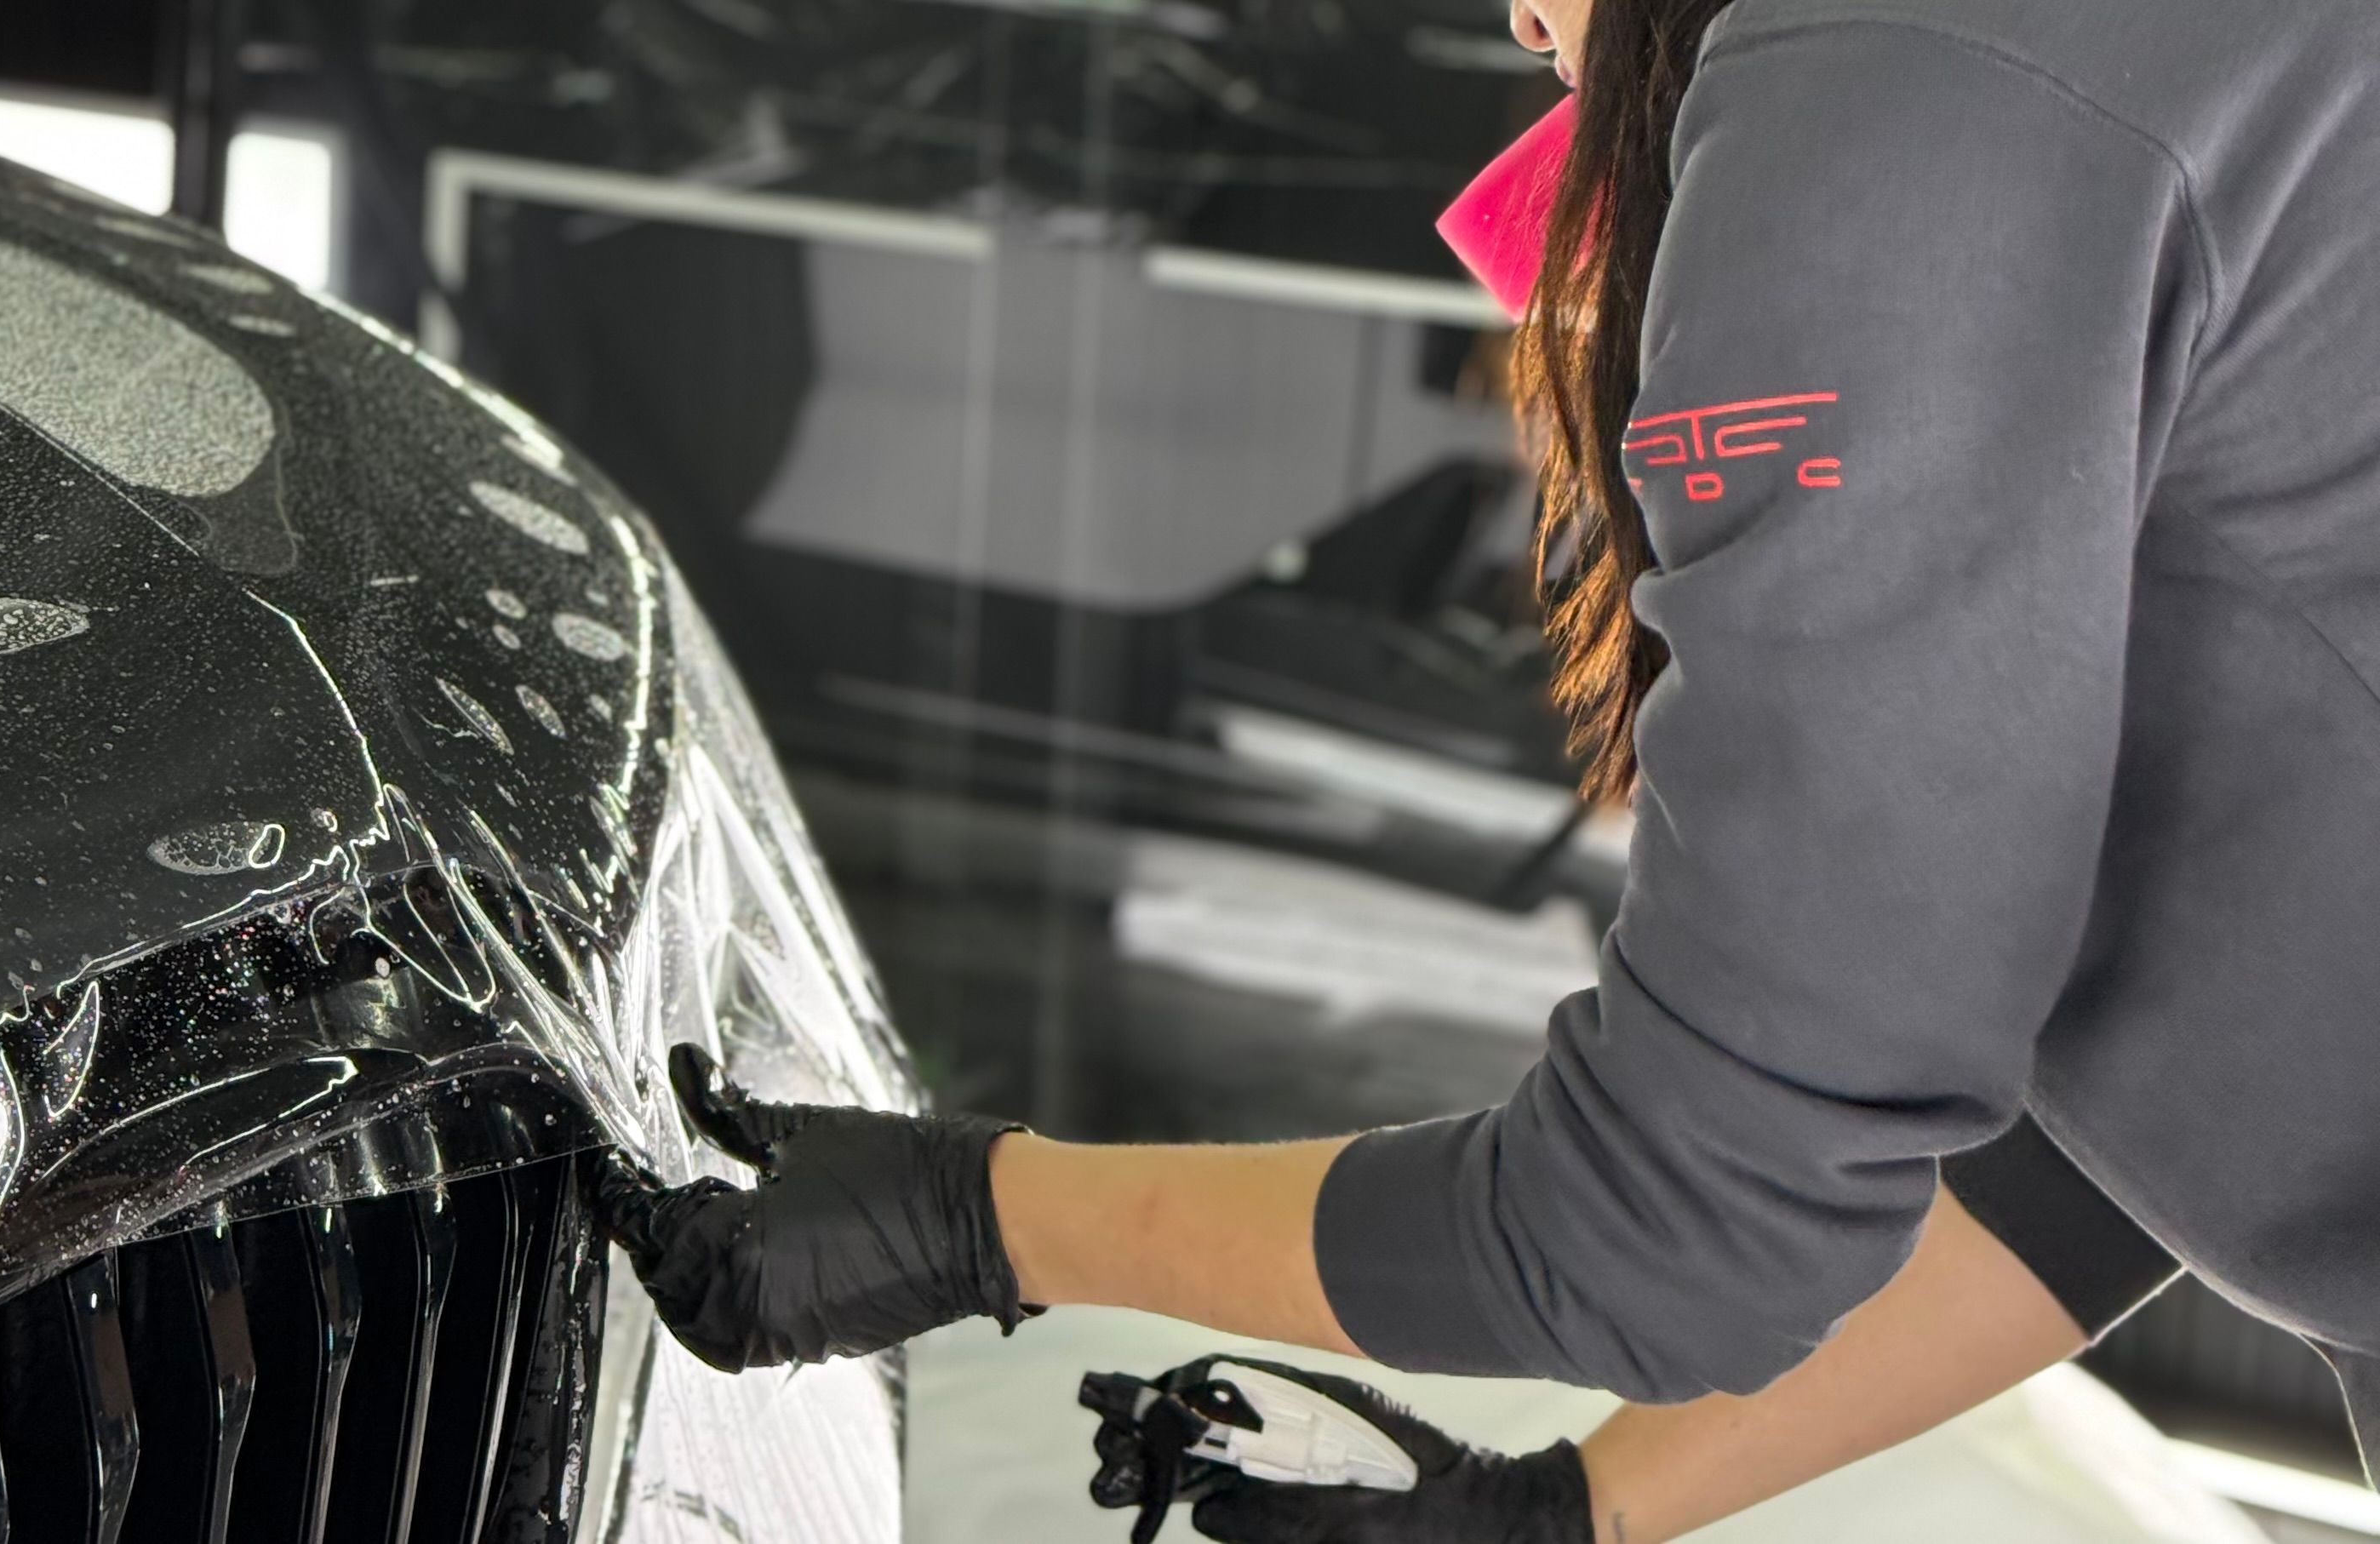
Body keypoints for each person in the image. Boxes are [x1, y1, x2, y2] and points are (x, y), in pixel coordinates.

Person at [598, 0, 2380, 1536]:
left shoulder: (1908, 82)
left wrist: (976, 1217)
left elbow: (1673, 1229)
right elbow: (2179, 1071)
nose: (1524, 26)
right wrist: (1576, 1509)